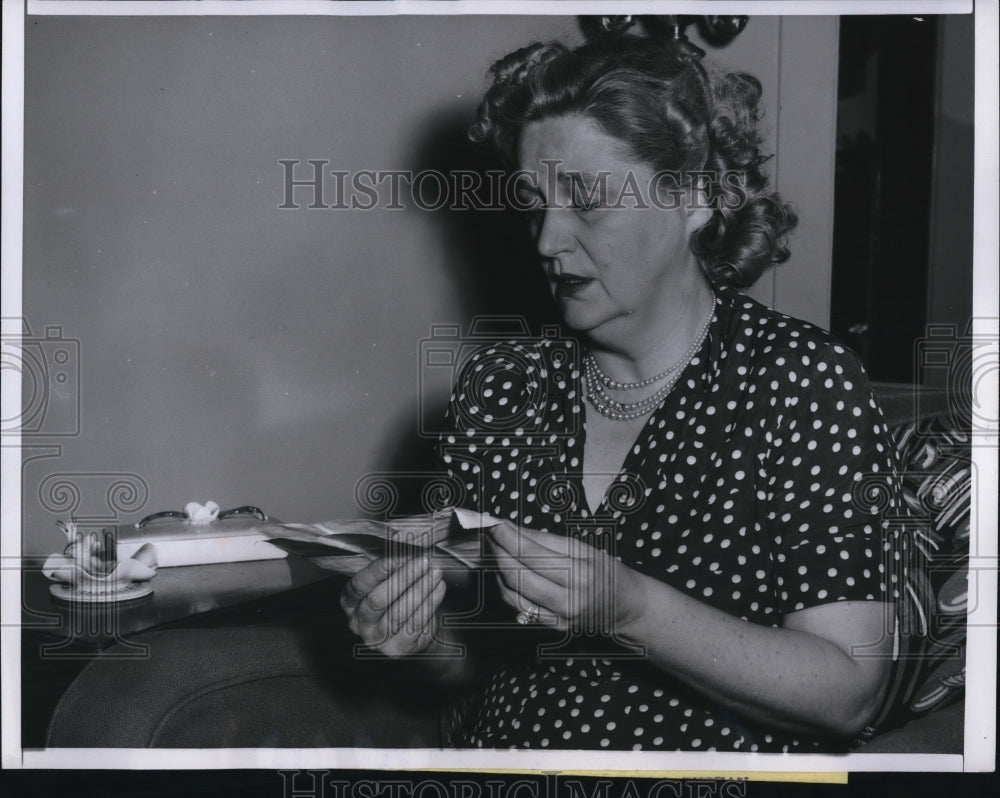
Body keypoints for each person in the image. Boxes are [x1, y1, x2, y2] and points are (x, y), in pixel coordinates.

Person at [340, 35, 903, 752]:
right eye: (535, 202)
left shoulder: (799, 382)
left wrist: (632, 609)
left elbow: (849, 693)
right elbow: (480, 677)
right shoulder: (501, 389)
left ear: (695, 197)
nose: (547, 239)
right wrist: (417, 639)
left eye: (588, 199)